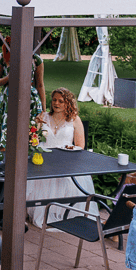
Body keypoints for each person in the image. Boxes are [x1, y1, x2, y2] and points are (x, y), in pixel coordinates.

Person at [26, 88, 94, 226]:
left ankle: (64, 213)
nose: (56, 103)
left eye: (61, 101)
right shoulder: (43, 116)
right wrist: (36, 124)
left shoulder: (74, 119)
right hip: (43, 161)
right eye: (54, 100)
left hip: (66, 161)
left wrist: (66, 155)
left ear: (68, 103)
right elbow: (32, 139)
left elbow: (80, 146)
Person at [0, 34, 45, 152]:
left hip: (30, 99)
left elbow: (40, 84)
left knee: (30, 130)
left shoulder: (35, 58)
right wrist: (9, 77)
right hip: (9, 98)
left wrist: (44, 110)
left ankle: (27, 157)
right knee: (7, 128)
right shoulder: (1, 58)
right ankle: (5, 157)